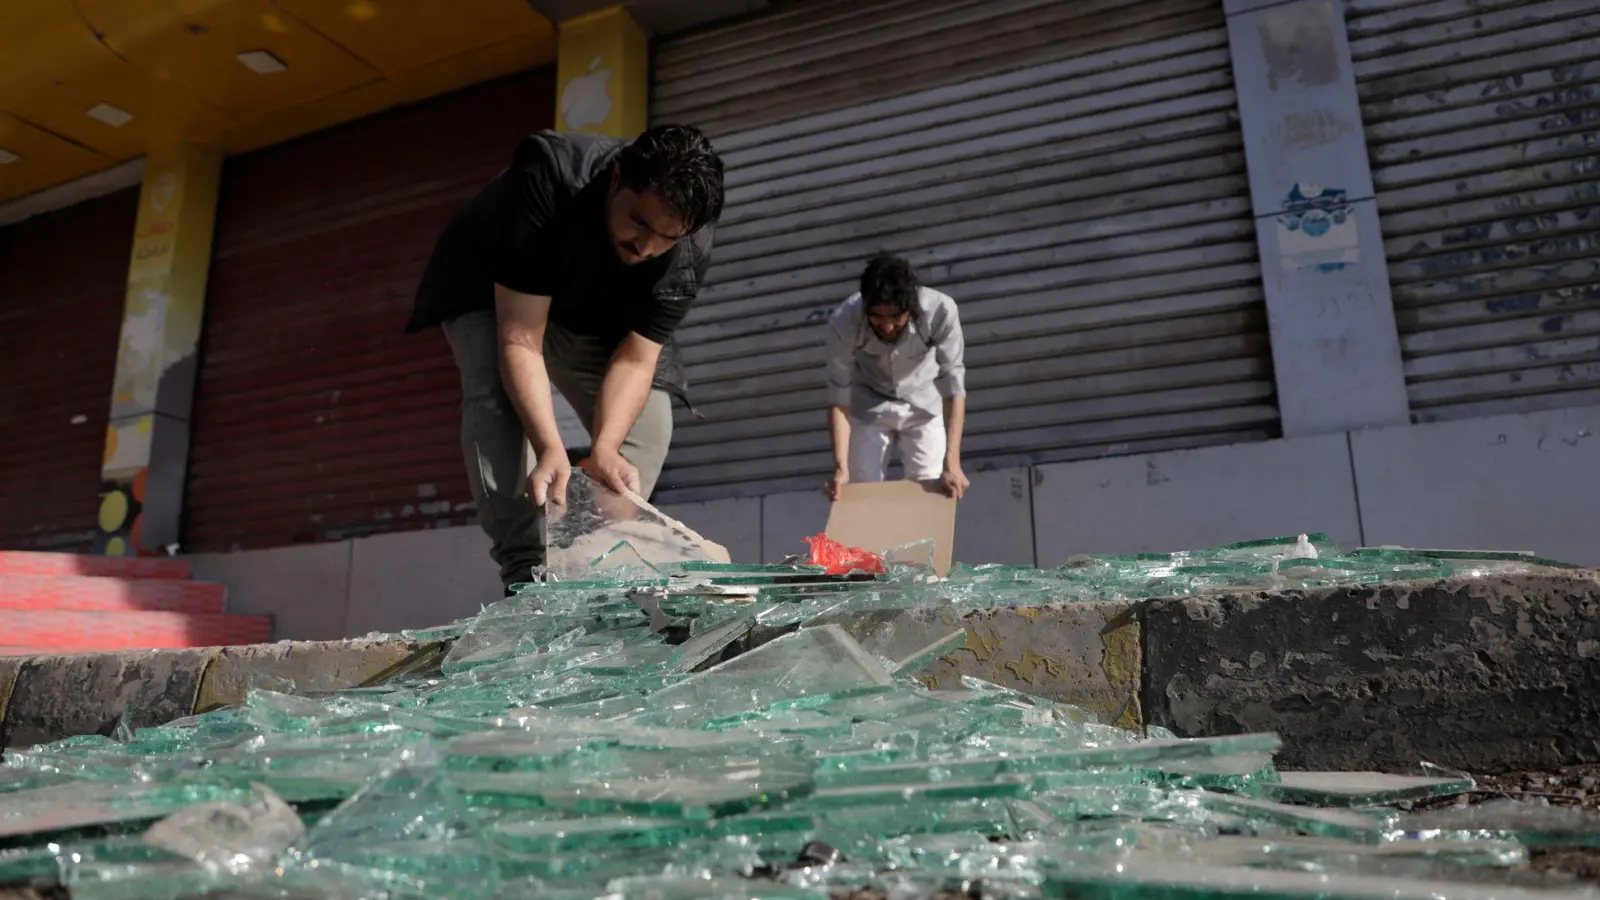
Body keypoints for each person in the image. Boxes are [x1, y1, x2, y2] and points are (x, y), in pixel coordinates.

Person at [405, 125, 725, 589]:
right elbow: (520, 339)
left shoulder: (688, 249)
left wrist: (605, 448)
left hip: (595, 306)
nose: (647, 247)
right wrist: (550, 446)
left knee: (649, 423)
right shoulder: (550, 180)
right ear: (616, 178)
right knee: (496, 396)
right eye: (638, 221)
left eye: (665, 237)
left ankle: (588, 567)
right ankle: (525, 570)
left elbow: (637, 360)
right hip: (489, 286)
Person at [822, 253, 969, 502]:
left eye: (896, 319)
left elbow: (953, 387)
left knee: (929, 490)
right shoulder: (845, 320)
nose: (887, 327)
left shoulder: (941, 311)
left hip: (924, 402)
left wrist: (952, 461)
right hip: (868, 402)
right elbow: (839, 396)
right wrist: (840, 467)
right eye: (877, 318)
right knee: (859, 492)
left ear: (910, 309)